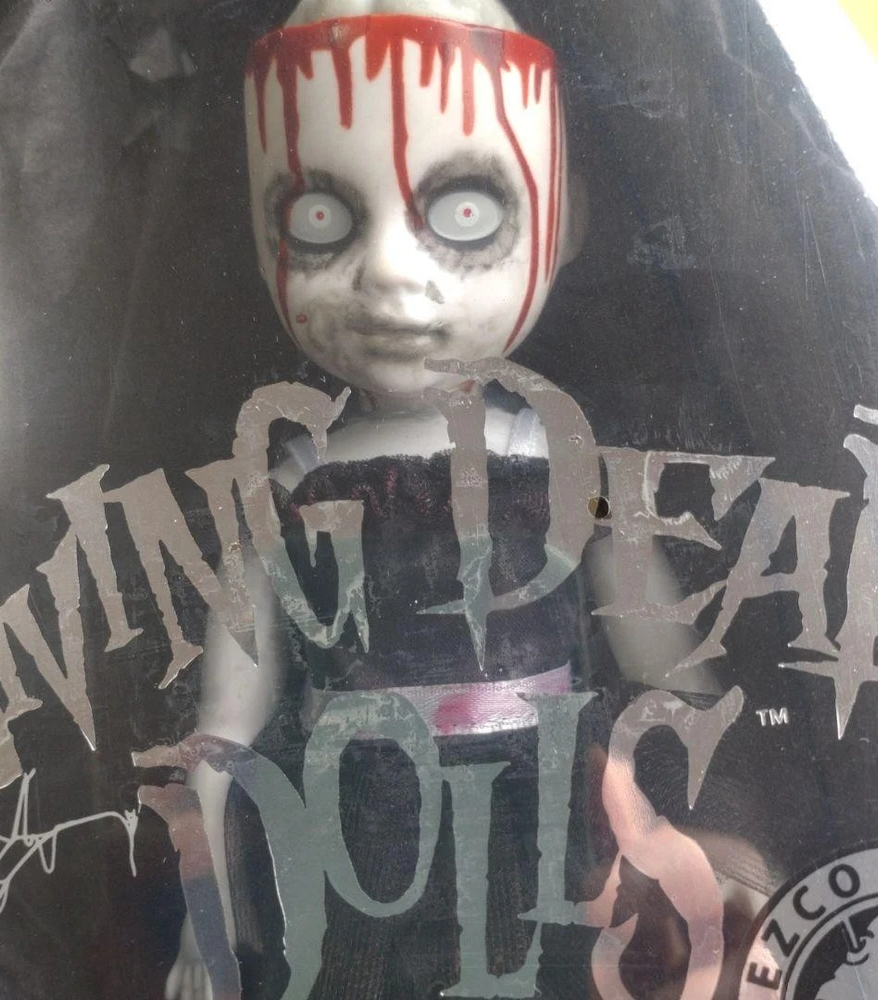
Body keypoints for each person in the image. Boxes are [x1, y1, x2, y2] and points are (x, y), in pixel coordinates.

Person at [166, 2, 598, 997]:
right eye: (317, 219)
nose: (392, 273)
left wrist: (715, 822)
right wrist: (207, 911)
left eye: (466, 213)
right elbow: (225, 727)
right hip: (356, 840)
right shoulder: (286, 490)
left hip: (532, 831)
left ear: (567, 219)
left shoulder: (559, 461)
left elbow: (669, 667)